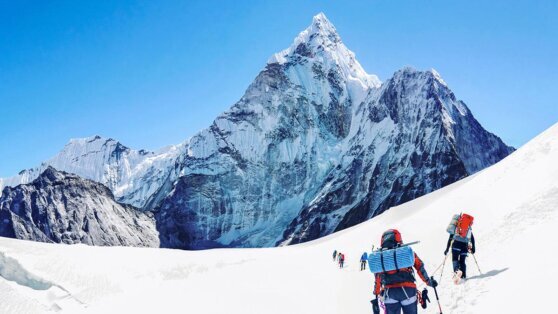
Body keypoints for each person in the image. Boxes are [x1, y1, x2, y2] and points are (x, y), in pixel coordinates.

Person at [373, 229, 437, 314]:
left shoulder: (381, 258)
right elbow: (419, 266)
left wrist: (376, 293)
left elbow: (378, 277)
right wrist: (428, 281)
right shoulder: (406, 252)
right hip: (408, 291)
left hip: (390, 293)